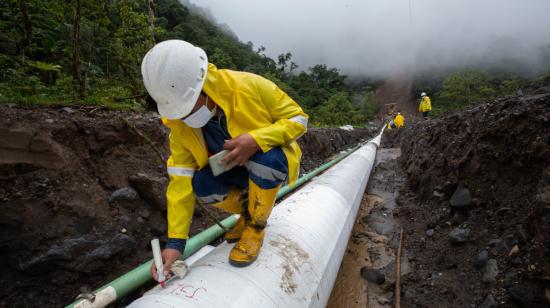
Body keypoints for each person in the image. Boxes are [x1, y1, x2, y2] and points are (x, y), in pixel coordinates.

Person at [141, 40, 308, 279]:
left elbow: (299, 119)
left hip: (264, 163)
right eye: (179, 111)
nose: (185, 116)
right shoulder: (179, 127)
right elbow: (180, 180)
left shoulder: (249, 87)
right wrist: (175, 244)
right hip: (231, 170)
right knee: (201, 184)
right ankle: (245, 214)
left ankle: (255, 227)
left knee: (268, 160)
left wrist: (256, 139)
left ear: (203, 86)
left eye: (187, 107)